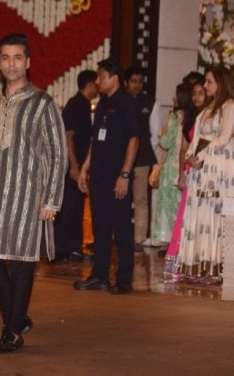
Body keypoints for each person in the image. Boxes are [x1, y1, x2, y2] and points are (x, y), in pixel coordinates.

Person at [0, 33, 67, 353]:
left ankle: (12, 333)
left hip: (28, 197)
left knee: (22, 263)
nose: (11, 64)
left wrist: (51, 199)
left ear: (28, 62)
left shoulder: (43, 103)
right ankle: (16, 316)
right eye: (5, 58)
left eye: (17, 58)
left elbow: (57, 152)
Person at [73, 58, 140, 294]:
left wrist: (125, 173)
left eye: (101, 77)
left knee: (121, 229)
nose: (98, 81)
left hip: (117, 177)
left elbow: (134, 139)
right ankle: (99, 275)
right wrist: (84, 167)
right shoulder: (101, 103)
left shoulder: (127, 103)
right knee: (100, 228)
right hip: (99, 175)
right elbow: (95, 138)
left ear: (113, 78)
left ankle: (123, 280)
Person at [176, 66, 234, 284]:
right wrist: (189, 157)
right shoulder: (206, 110)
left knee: (215, 215)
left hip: (220, 168)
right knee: (200, 214)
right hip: (201, 168)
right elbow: (195, 138)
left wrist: (200, 155)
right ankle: (199, 265)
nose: (205, 86)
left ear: (221, 83)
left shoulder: (231, 107)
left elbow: (223, 138)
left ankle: (216, 269)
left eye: (209, 82)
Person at [164, 80, 208, 276]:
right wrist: (182, 173)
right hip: (191, 171)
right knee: (186, 216)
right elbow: (183, 148)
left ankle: (198, 264)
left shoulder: (211, 117)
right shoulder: (189, 118)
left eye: (201, 93)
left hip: (207, 173)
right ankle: (181, 263)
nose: (197, 97)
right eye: (194, 93)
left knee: (201, 218)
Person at [54, 69, 98, 262]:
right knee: (69, 207)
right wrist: (74, 165)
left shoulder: (83, 104)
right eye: (96, 83)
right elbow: (68, 135)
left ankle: (72, 248)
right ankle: (61, 248)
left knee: (75, 206)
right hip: (73, 165)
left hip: (78, 165)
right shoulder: (76, 105)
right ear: (89, 85)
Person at [123, 66, 161, 250]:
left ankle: (138, 239)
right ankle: (119, 235)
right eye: (133, 81)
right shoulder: (119, 100)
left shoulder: (150, 102)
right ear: (125, 83)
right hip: (121, 159)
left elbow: (155, 134)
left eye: (139, 81)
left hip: (143, 158)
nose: (137, 85)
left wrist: (143, 149)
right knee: (120, 197)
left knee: (140, 198)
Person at [151, 83, 190, 248]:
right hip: (182, 168)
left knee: (167, 207)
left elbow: (165, 142)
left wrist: (162, 132)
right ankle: (179, 240)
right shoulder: (190, 117)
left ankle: (169, 241)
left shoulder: (175, 117)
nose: (173, 98)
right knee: (179, 206)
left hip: (170, 170)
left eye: (176, 94)